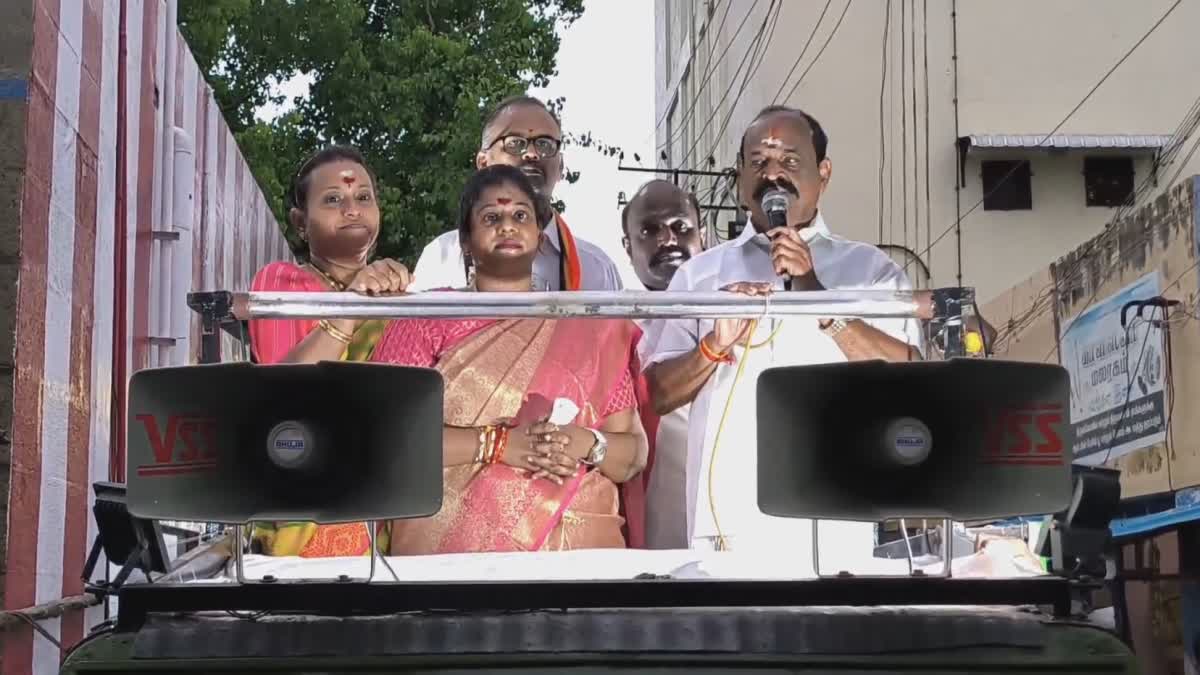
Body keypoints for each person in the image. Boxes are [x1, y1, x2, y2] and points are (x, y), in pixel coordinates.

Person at [639, 105, 924, 568]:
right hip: (725, 527)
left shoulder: (871, 273)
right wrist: (712, 347)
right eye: (758, 164)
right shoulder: (700, 276)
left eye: (790, 162)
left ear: (823, 174)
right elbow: (654, 395)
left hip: (838, 524)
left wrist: (817, 297)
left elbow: (913, 382)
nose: (773, 177)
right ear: (739, 178)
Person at [371, 164, 649, 554]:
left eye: (521, 215)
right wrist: (497, 444)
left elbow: (632, 455)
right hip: (452, 563)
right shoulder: (427, 318)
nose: (507, 225)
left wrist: (584, 443)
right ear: (465, 241)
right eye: (491, 217)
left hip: (581, 560)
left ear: (539, 236)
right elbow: (384, 438)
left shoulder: (588, 327)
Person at [247, 144, 411, 557]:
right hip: (300, 498)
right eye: (333, 200)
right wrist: (353, 303)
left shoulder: (401, 299)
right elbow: (284, 393)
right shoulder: (283, 283)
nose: (351, 209)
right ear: (301, 224)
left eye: (363, 198)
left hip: (381, 501)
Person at [409, 95, 623, 291]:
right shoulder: (441, 256)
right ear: (483, 162)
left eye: (545, 144)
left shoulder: (596, 269)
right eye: (515, 144)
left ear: (560, 167)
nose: (531, 154)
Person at [620, 180, 705, 550]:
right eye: (649, 230)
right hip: (638, 511)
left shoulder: (731, 307)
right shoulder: (607, 325)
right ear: (628, 246)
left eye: (680, 227)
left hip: (719, 504)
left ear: (703, 235)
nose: (668, 239)